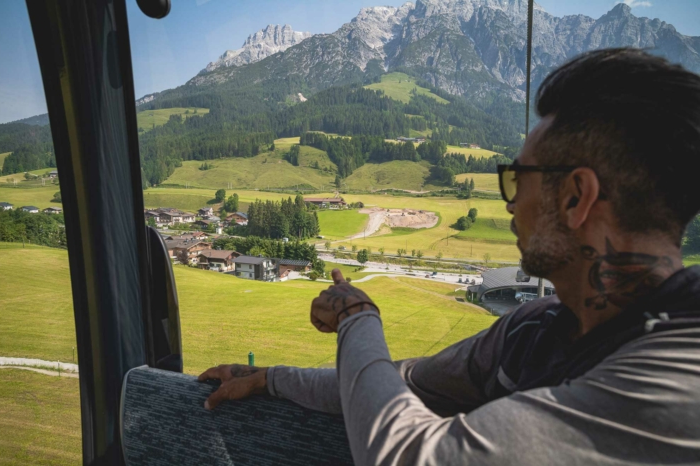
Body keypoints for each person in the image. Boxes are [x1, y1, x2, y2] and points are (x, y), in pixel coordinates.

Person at [199, 49, 700, 464]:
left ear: (574, 197)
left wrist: (356, 315)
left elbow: (413, 454)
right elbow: (402, 384)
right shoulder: (535, 328)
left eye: (515, 179)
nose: (508, 202)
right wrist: (271, 380)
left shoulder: (680, 377)